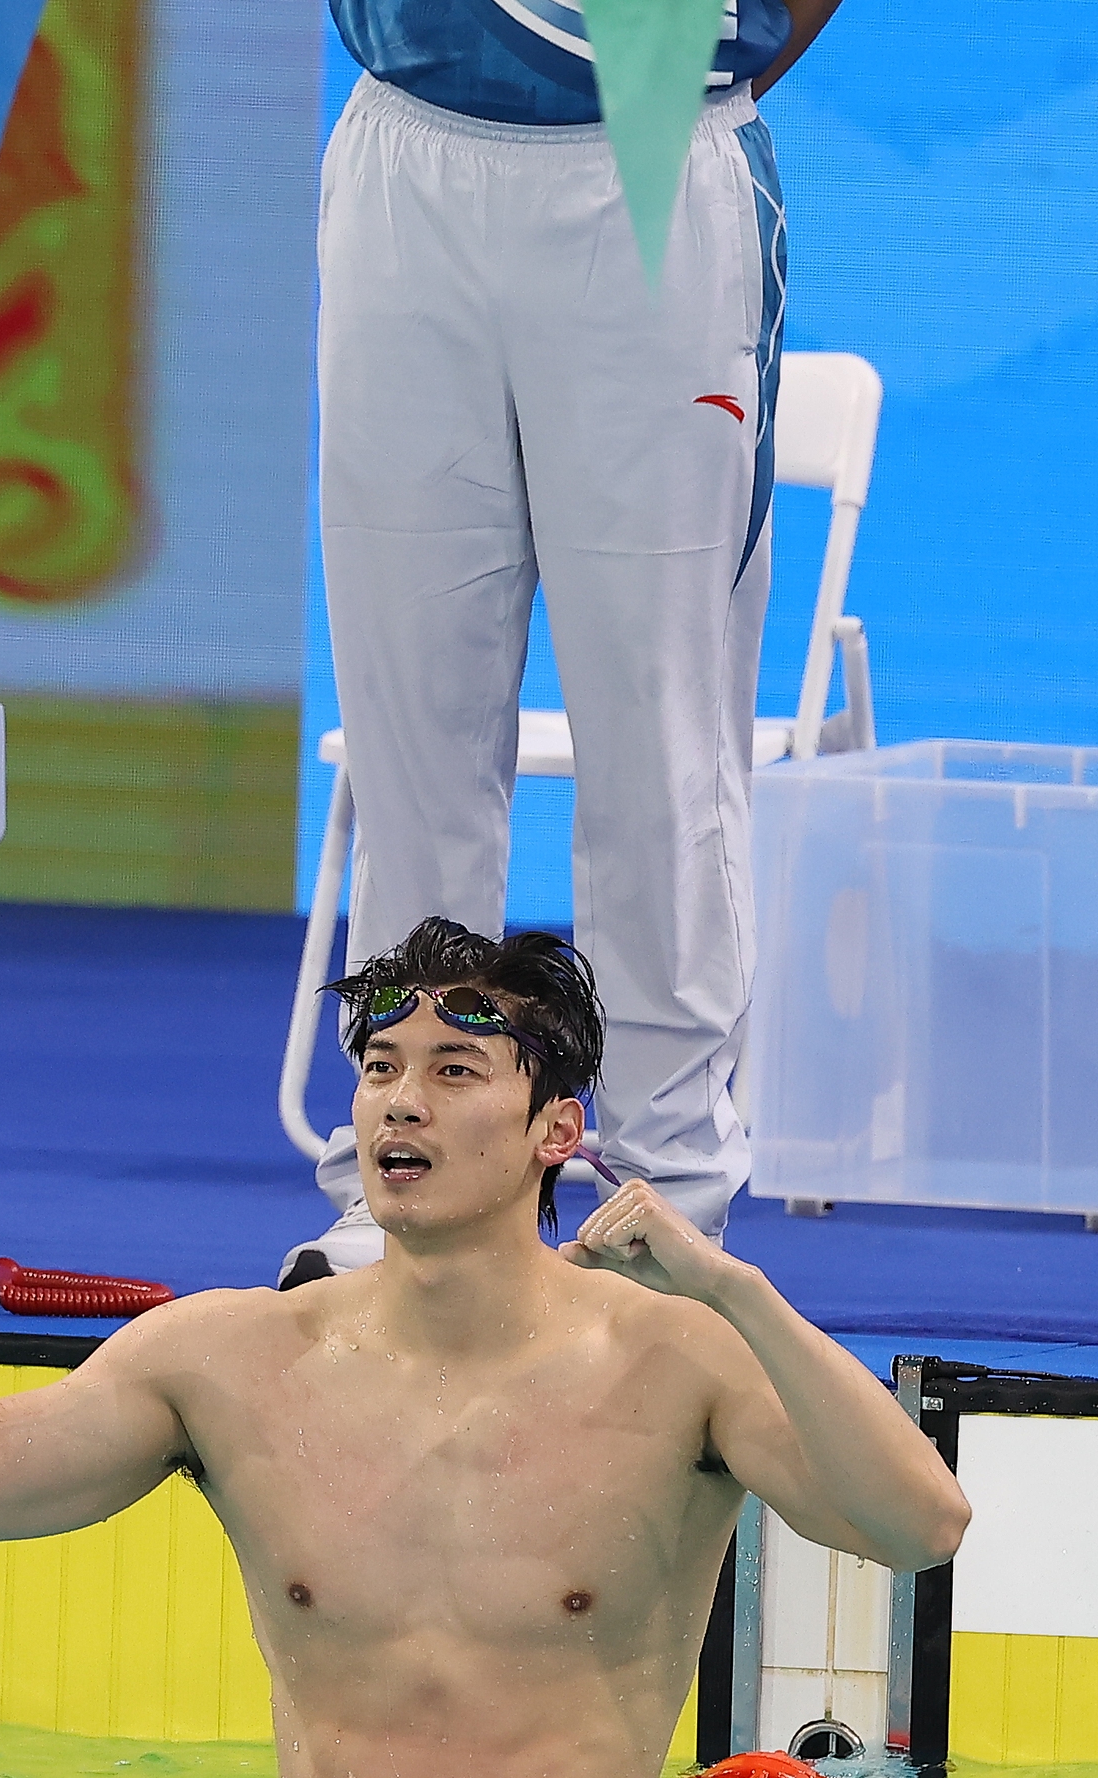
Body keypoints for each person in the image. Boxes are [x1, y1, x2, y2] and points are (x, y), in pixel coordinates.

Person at [0, 919, 963, 1778]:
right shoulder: (226, 1359)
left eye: (455, 1070)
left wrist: (736, 1290)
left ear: (556, 1133)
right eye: (380, 1067)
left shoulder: (678, 1360)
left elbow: (920, 1527)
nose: (402, 1102)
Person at [287, 0, 845, 1285]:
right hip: (405, 157)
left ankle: (663, 1201)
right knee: (410, 745)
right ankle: (400, 1181)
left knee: (659, 748)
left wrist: (686, 80)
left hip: (654, 171)